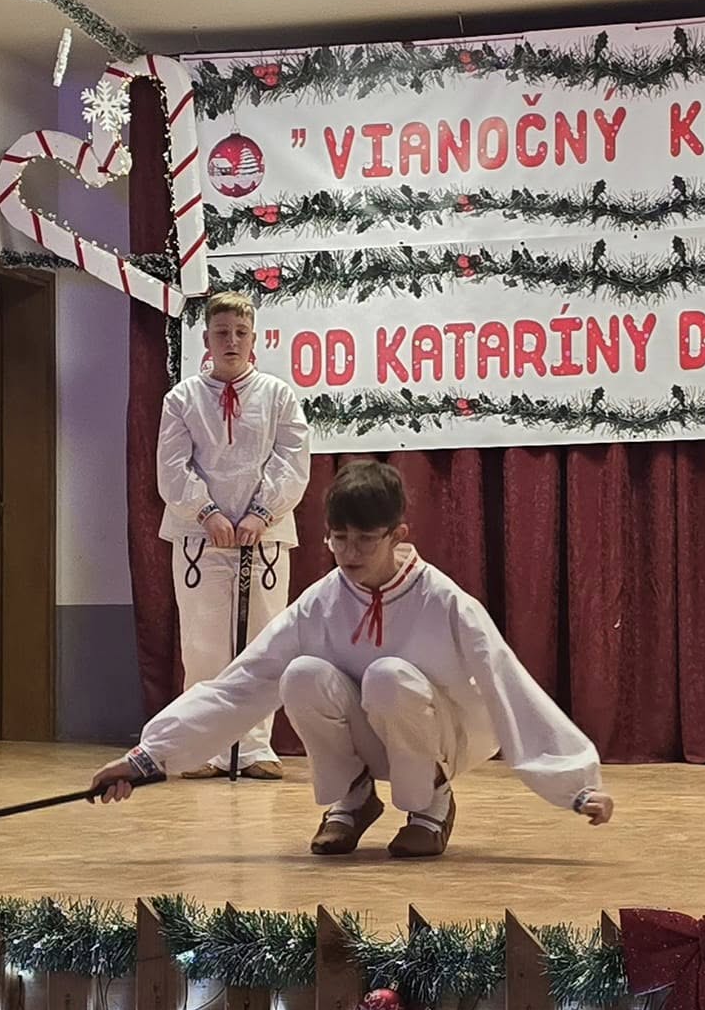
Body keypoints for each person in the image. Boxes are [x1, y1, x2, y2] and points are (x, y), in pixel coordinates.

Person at [89, 461, 615, 857]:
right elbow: (241, 685)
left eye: (365, 540)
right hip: (371, 733)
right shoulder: (320, 603)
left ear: (398, 535)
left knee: (389, 677)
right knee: (300, 674)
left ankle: (430, 803)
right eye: (339, 539)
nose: (350, 553)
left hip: (447, 738)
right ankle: (353, 797)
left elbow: (509, 686)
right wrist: (147, 758)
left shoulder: (445, 602)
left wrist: (576, 785)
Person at [157, 292, 310, 779]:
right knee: (203, 646)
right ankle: (203, 746)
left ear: (254, 338)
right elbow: (172, 467)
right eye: (222, 332)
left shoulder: (278, 395)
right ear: (206, 338)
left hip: (263, 537)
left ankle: (256, 747)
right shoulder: (182, 399)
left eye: (241, 333)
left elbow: (291, 461)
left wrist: (262, 512)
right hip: (201, 538)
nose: (232, 341)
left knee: (263, 644)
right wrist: (206, 512)